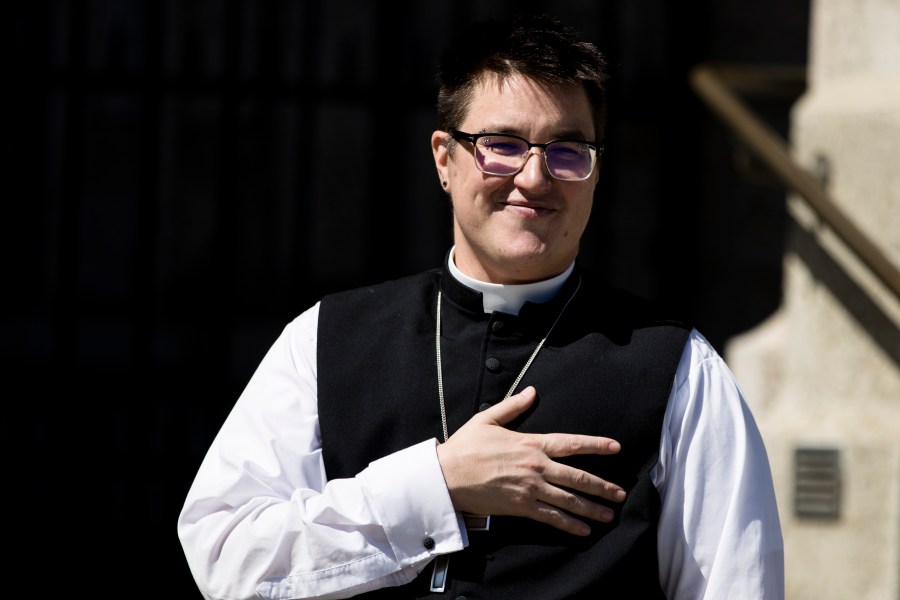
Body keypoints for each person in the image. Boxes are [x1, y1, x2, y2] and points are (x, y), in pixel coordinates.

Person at [177, 13, 784, 599]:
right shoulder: (324, 339)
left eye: (568, 150)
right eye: (502, 144)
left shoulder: (679, 367)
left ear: (597, 173)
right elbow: (225, 557)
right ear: (444, 157)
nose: (535, 176)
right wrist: (436, 484)